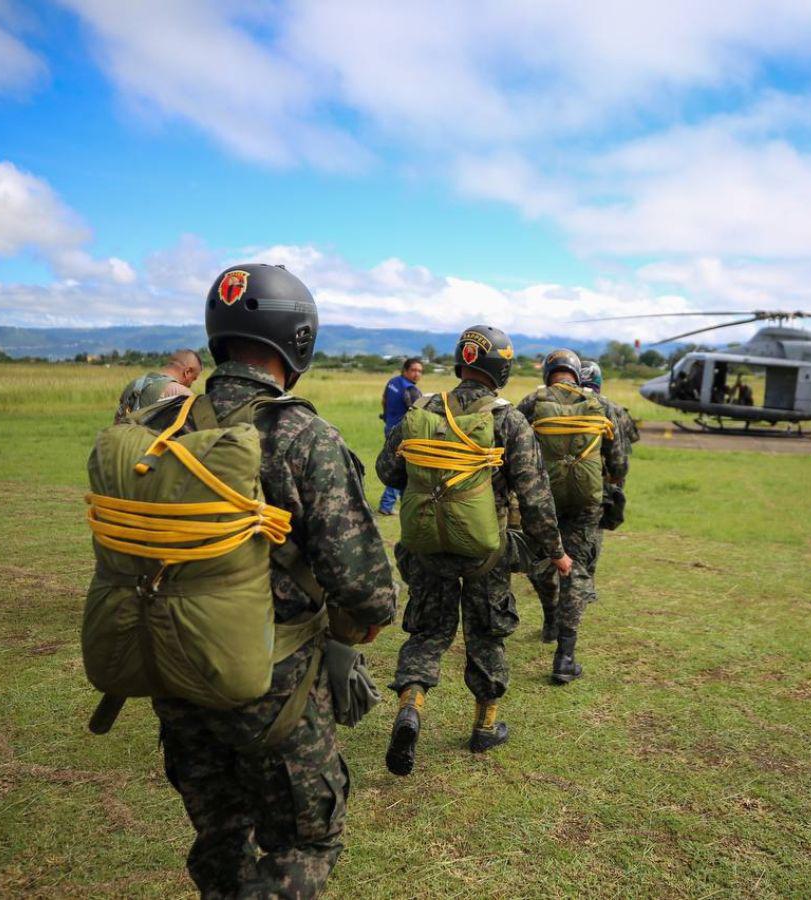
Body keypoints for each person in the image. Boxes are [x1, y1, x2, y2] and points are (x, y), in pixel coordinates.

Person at [151, 264, 397, 897]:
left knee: (220, 838)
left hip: (174, 673)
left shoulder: (160, 429)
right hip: (274, 684)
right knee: (304, 840)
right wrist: (354, 627)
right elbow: (367, 590)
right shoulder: (302, 435)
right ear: (300, 339)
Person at [376, 325, 571, 775]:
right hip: (488, 552)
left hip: (427, 548)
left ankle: (412, 704)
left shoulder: (423, 408)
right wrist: (556, 553)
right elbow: (536, 497)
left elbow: (389, 471)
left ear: (460, 363)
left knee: (427, 633)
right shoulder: (508, 420)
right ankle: (485, 726)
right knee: (486, 634)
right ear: (500, 370)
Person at [519, 349, 628, 680]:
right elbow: (619, 464)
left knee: (540, 561)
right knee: (575, 572)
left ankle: (551, 615)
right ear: (577, 374)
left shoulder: (531, 403)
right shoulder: (602, 405)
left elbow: (513, 449)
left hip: (541, 502)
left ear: (548, 374)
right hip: (585, 506)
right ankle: (565, 657)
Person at [377, 357, 424, 515]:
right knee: (399, 468)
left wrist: (387, 416)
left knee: (400, 467)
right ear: (405, 370)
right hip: (401, 434)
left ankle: (404, 503)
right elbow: (418, 414)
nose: (417, 374)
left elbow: (384, 400)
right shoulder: (411, 390)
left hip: (389, 427)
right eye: (413, 370)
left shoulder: (393, 382)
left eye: (419, 371)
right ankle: (386, 505)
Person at [114, 349, 203, 422]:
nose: (190, 385)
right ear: (187, 372)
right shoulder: (181, 393)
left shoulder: (134, 385)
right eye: (193, 379)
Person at [579, 359, 640, 451]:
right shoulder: (614, 409)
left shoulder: (562, 406)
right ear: (598, 381)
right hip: (604, 462)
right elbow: (633, 437)